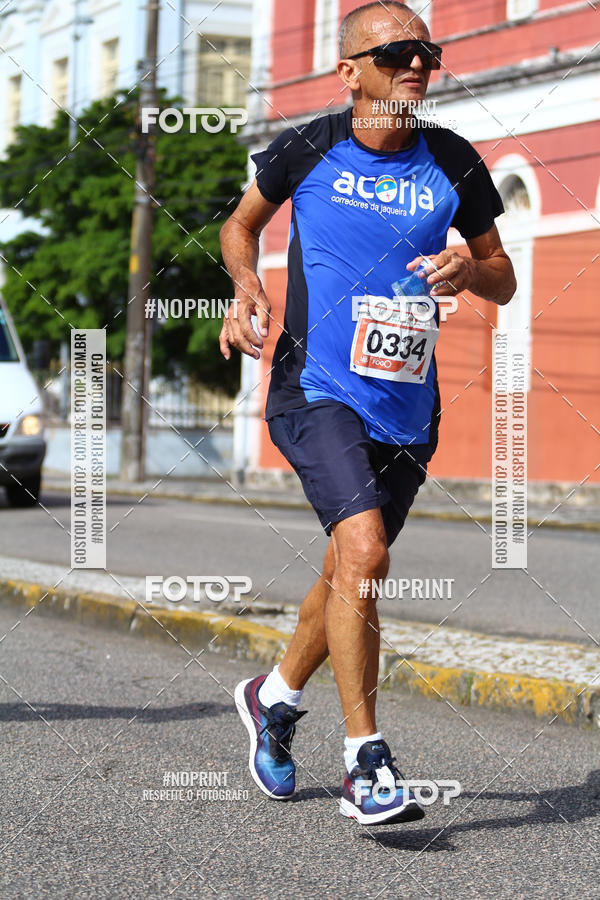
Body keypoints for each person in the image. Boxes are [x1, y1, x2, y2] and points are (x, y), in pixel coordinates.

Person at [219, 1, 516, 826]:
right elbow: (240, 227)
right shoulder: (308, 147)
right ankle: (366, 762)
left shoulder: (452, 159)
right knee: (366, 551)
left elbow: (502, 274)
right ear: (349, 72)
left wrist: (469, 268)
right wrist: (245, 285)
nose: (416, 63)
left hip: (408, 406)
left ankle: (274, 698)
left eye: (426, 51)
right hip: (314, 388)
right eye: (394, 53)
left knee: (349, 570)